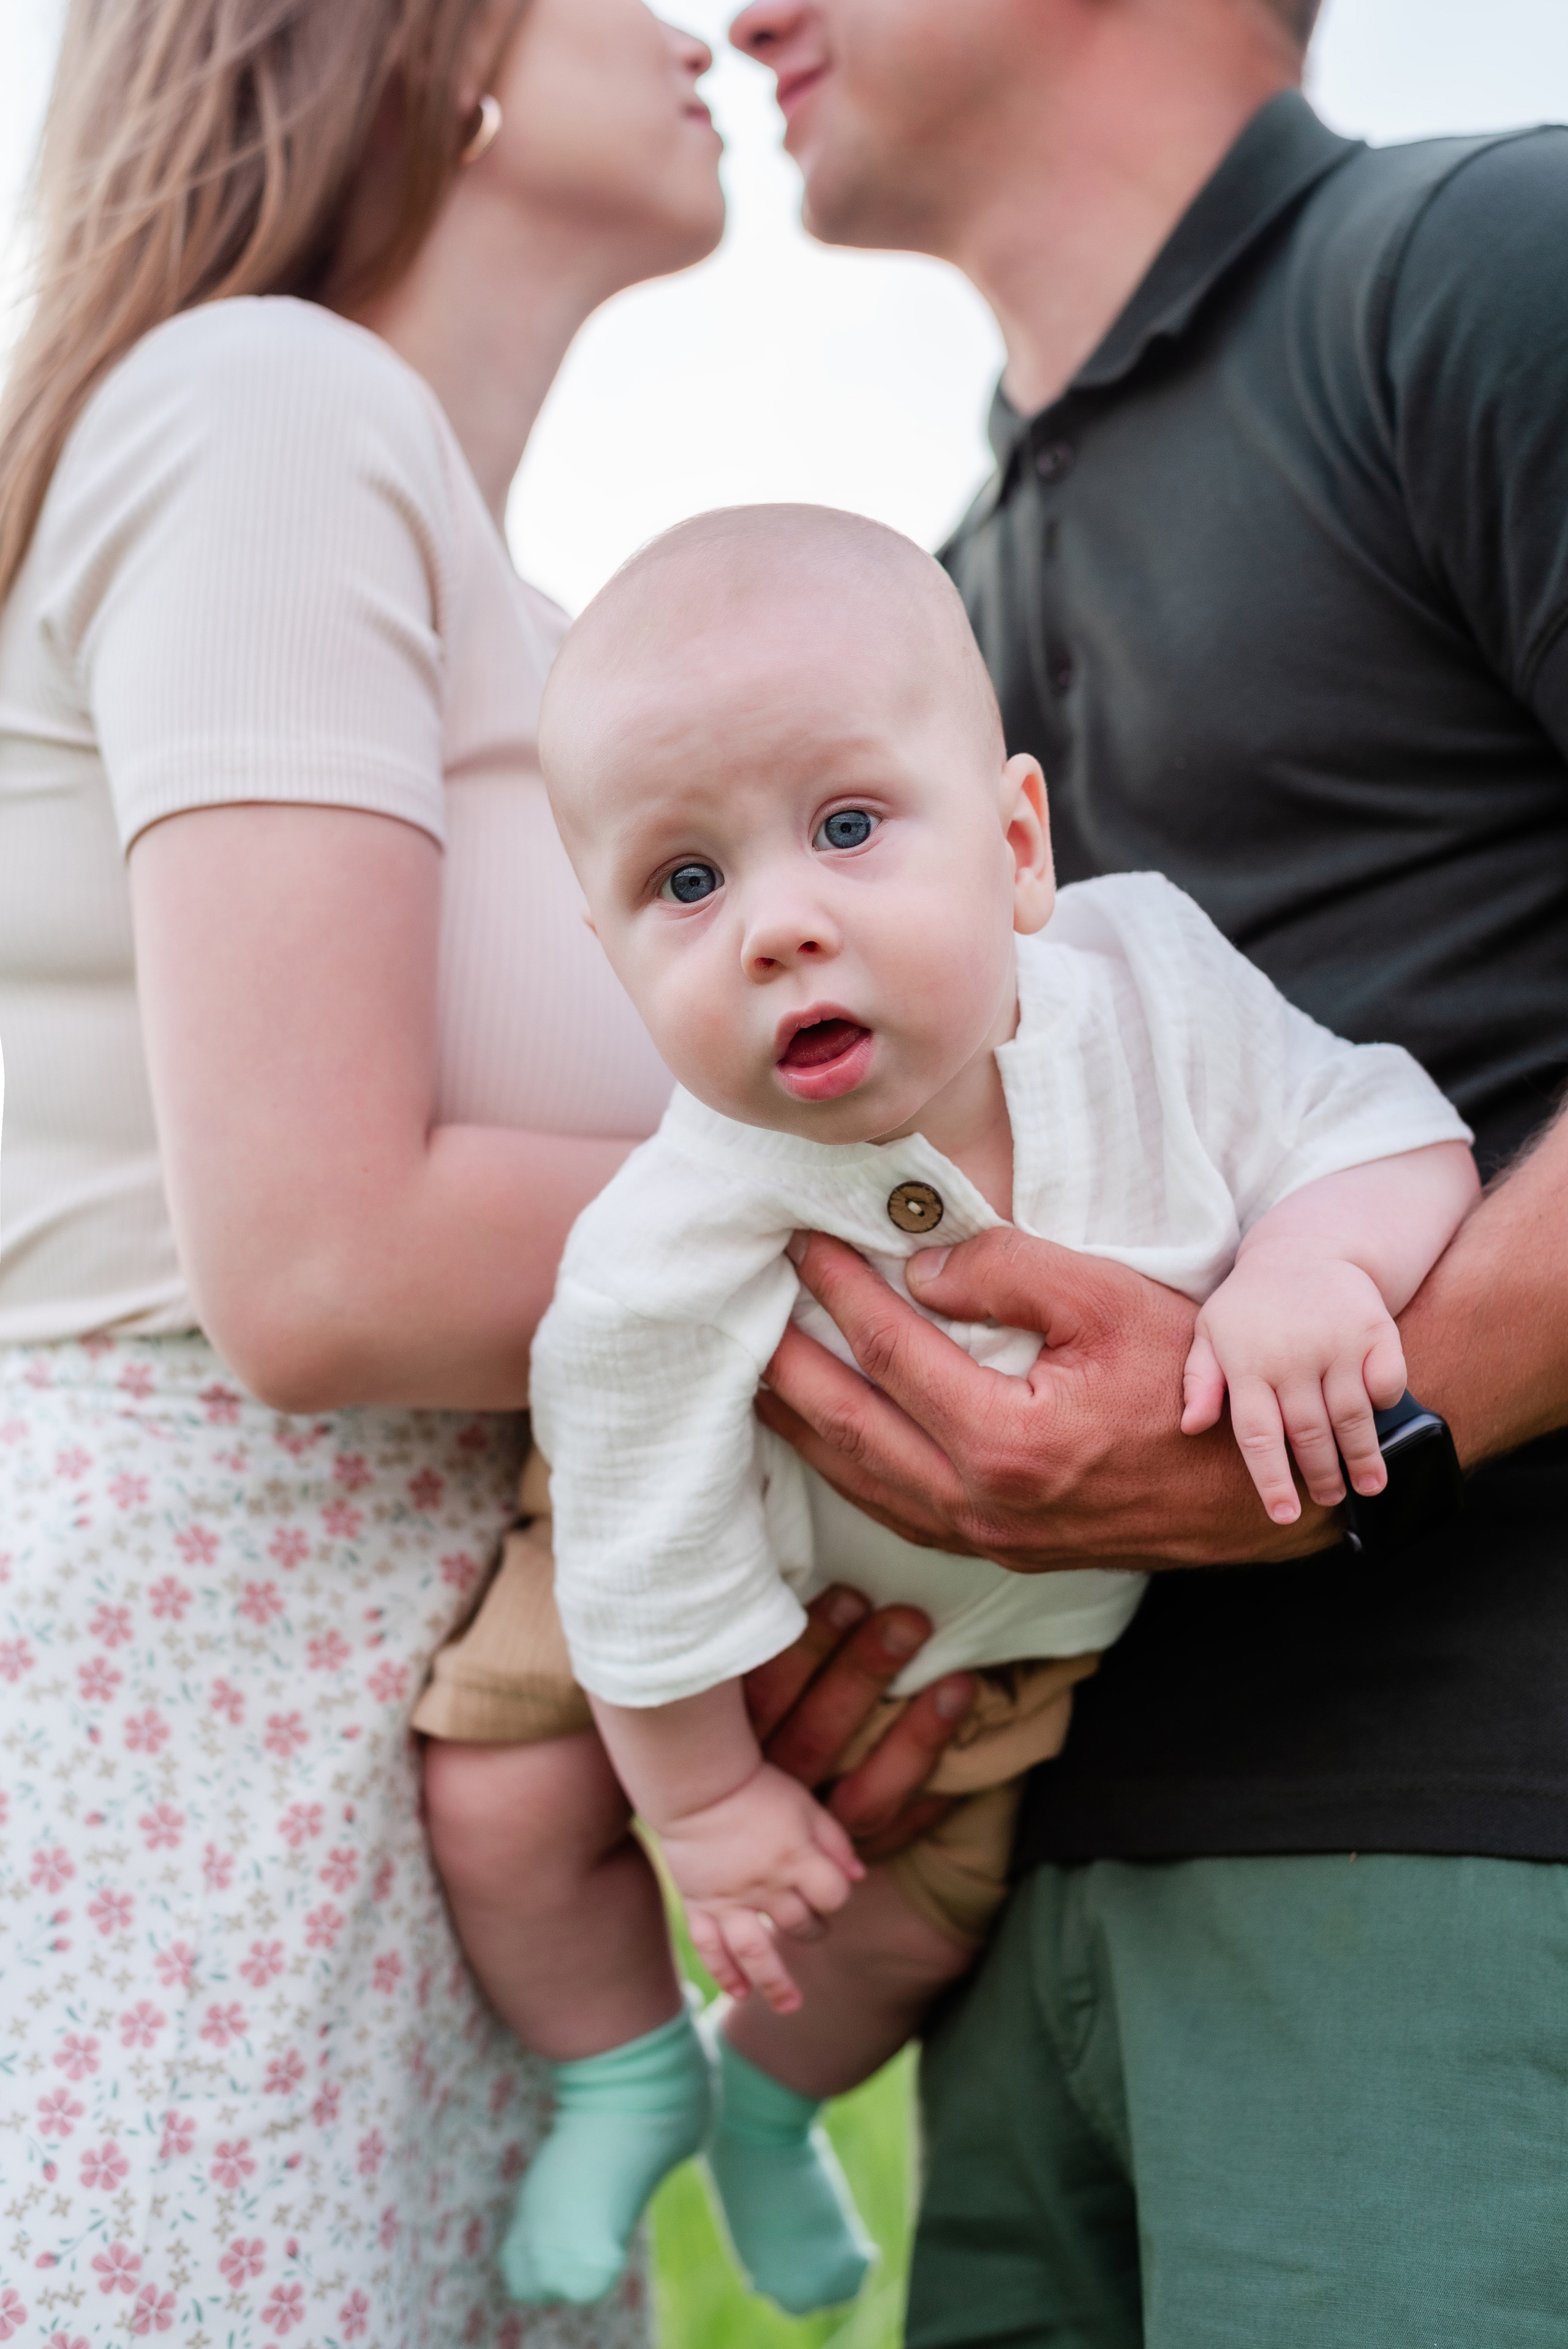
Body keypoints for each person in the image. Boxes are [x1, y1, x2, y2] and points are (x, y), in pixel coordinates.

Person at [0, 5, 944, 2340]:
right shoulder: (267, 406)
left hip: (409, 1715)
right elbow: (320, 1262)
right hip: (199, 1700)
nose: (699, 24)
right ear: (428, 53)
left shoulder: (480, 570)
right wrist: (973, 1217)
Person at [725, 0, 1568, 2340]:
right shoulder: (920, 609)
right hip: (1018, 1932)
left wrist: (1332, 1438)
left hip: (1470, 1876)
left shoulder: (1486, 264)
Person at [418, 501, 1474, 2317]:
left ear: (1013, 847)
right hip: (665, 1615)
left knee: (911, 1920)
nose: (777, 927)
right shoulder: (670, 1235)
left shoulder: (1154, 995)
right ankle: (619, 2064)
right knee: (502, 1795)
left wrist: (1319, 1264)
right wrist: (705, 1802)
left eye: (845, 828)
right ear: (618, 964)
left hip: (1006, 1659)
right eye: (687, 884)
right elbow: (643, 1546)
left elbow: (1384, 1126)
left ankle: (761, 2109)